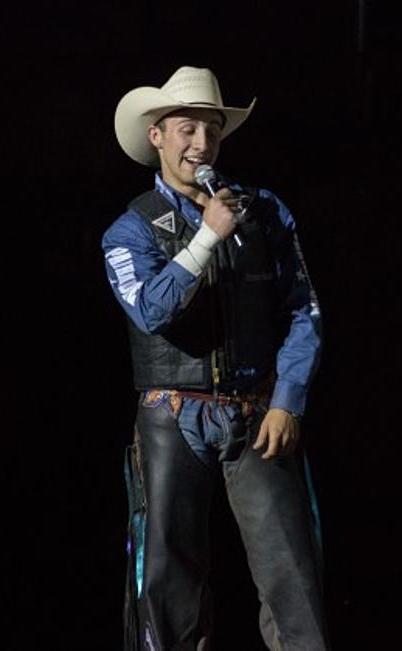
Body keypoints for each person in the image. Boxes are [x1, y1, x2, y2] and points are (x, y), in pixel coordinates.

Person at [103, 66, 328, 650]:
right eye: (187, 129)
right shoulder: (129, 230)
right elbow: (151, 312)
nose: (201, 144)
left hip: (255, 414)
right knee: (168, 584)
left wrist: (289, 402)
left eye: (211, 129)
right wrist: (205, 238)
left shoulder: (264, 212)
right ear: (157, 134)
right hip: (171, 417)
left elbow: (303, 311)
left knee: (293, 579)